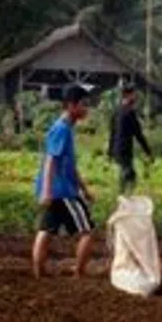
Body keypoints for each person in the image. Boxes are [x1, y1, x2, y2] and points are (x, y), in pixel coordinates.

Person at [33, 84, 95, 278]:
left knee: (46, 230)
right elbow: (51, 161)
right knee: (87, 232)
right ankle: (79, 272)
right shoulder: (62, 129)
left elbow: (68, 165)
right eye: (83, 105)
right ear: (71, 106)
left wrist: (84, 188)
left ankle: (39, 272)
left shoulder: (62, 128)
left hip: (57, 189)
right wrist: (47, 190)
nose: (87, 109)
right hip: (63, 191)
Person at [108, 84, 153, 195]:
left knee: (126, 173)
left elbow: (112, 133)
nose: (135, 97)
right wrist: (148, 151)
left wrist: (110, 151)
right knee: (129, 175)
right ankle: (123, 197)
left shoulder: (116, 111)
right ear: (127, 95)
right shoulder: (129, 112)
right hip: (125, 149)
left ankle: (123, 195)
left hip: (117, 149)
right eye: (133, 94)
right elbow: (138, 134)